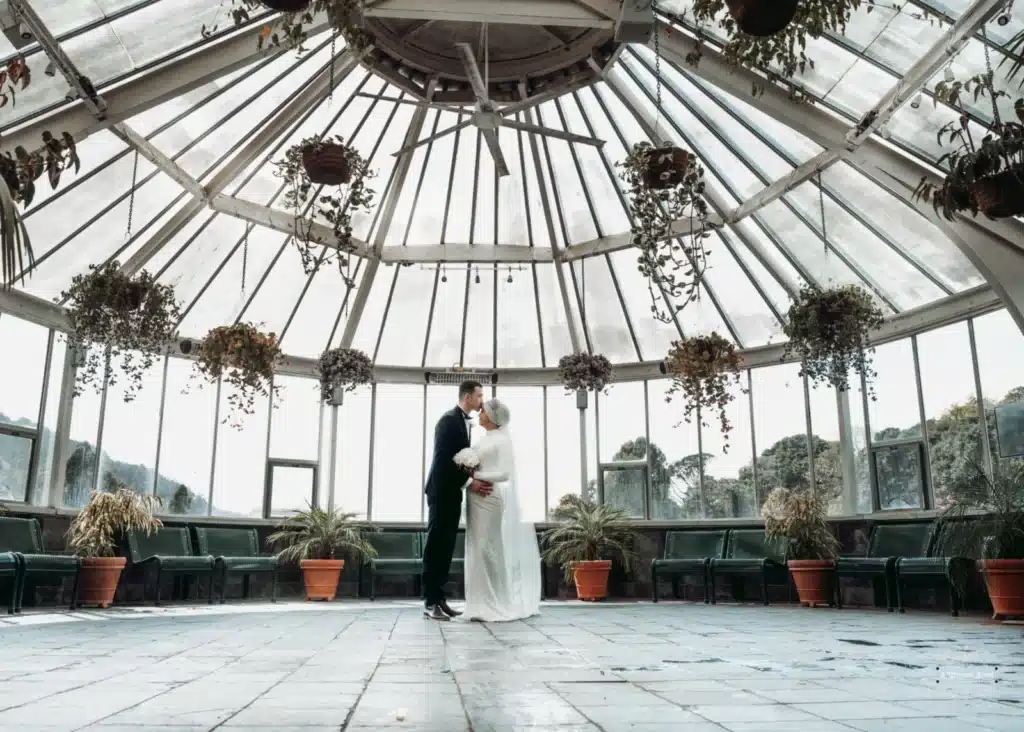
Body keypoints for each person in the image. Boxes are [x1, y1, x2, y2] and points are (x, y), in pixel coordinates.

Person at [463, 398, 542, 622]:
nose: (480, 413)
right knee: (476, 549)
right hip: (474, 498)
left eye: (483, 411)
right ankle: (477, 603)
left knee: (488, 548)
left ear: (492, 417)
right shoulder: (484, 438)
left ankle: (494, 602)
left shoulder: (503, 441)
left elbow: (504, 473)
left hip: (488, 497)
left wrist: (473, 476)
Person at [422, 380, 492, 621]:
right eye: (479, 396)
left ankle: (440, 600)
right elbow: (443, 461)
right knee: (436, 547)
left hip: (452, 493)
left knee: (446, 547)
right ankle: (430, 603)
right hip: (441, 492)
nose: (482, 401)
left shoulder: (462, 421)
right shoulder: (448, 420)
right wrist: (469, 482)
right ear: (468, 397)